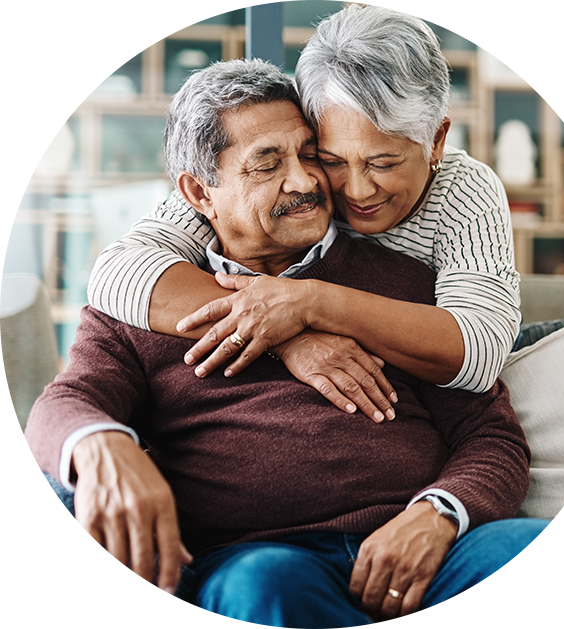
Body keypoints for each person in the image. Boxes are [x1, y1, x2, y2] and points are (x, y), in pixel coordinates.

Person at [8, 59, 564, 629]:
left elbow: (491, 433)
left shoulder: (400, 284)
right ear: (199, 193)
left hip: (424, 546)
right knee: (266, 586)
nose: (305, 181)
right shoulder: (142, 305)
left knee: (547, 555)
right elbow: (60, 408)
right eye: (267, 162)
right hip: (264, 557)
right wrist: (103, 449)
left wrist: (439, 513)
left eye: (310, 155)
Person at [87, 5, 520, 427]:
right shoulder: (283, 184)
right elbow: (117, 273)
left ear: (437, 141)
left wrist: (311, 302)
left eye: (383, 163)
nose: (355, 190)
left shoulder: (465, 192)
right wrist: (289, 334)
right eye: (329, 159)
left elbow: (479, 353)